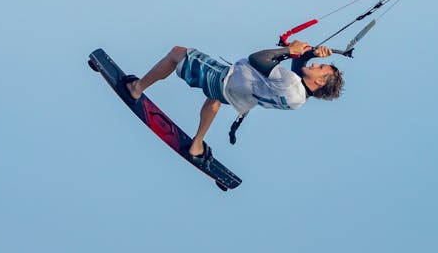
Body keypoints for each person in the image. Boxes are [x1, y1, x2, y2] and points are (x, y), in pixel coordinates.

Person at [123, 40, 344, 163]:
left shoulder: (289, 83)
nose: (316, 66)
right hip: (237, 96)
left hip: (223, 79)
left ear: (322, 81)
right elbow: (297, 74)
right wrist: (306, 56)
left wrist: (289, 50)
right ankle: (197, 143)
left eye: (320, 68)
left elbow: (256, 59)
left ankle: (136, 88)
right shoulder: (300, 99)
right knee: (214, 101)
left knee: (177, 53)